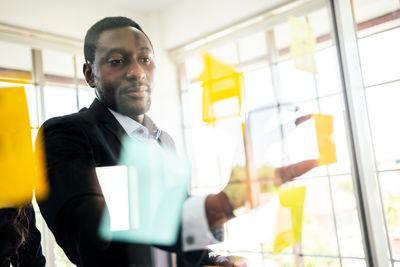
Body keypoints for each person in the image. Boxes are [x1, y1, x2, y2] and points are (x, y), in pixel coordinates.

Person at [36, 16, 316, 267]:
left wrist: (210, 260)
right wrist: (220, 206)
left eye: (145, 59)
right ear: (89, 74)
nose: (137, 72)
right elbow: (91, 239)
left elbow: (176, 235)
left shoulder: (163, 141)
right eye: (117, 61)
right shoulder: (66, 132)